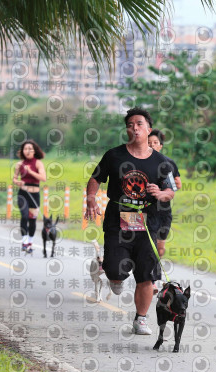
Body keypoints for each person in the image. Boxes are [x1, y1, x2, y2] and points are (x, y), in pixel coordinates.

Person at [85, 108, 176, 335]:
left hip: (147, 222)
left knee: (147, 275)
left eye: (139, 124)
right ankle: (115, 278)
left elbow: (170, 191)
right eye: (130, 125)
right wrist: (90, 199)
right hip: (118, 221)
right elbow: (95, 179)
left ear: (148, 129)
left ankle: (140, 319)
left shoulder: (162, 162)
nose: (134, 128)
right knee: (114, 269)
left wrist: (160, 193)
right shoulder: (114, 156)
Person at [147, 129, 182, 292]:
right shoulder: (141, 162)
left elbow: (177, 184)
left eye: (155, 143)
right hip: (148, 211)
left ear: (160, 145)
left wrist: (164, 188)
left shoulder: (168, 163)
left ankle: (151, 274)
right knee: (152, 247)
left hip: (164, 212)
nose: (152, 145)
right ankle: (153, 280)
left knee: (160, 249)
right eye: (149, 143)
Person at [13, 140, 46, 254]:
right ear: (22, 151)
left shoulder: (38, 163)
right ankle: (24, 242)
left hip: (34, 194)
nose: (27, 151)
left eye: (30, 149)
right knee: (24, 215)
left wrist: (31, 172)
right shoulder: (19, 164)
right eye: (25, 149)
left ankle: (30, 242)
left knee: (32, 219)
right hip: (23, 194)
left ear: (34, 151)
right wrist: (17, 182)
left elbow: (43, 178)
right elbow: (14, 178)